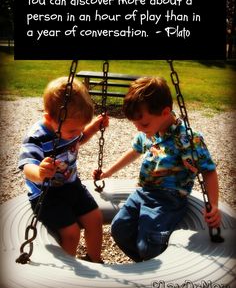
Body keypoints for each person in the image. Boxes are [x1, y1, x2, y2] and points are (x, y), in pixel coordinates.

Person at [93, 76, 221, 262]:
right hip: (143, 192)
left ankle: (155, 264)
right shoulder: (151, 130)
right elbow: (134, 150)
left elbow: (208, 171)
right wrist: (108, 172)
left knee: (148, 244)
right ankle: (146, 264)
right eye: (135, 124)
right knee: (118, 229)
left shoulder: (186, 139)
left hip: (168, 199)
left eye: (143, 124)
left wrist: (214, 205)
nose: (139, 129)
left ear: (165, 112)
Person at [19, 77, 109, 263]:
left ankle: (94, 259)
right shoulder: (36, 137)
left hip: (72, 186)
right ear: (49, 119)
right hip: (46, 196)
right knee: (71, 232)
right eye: (73, 131)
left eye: (80, 129)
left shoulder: (69, 128)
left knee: (95, 218)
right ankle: (69, 271)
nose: (77, 134)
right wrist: (40, 172)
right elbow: (27, 167)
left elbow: (78, 140)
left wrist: (92, 128)